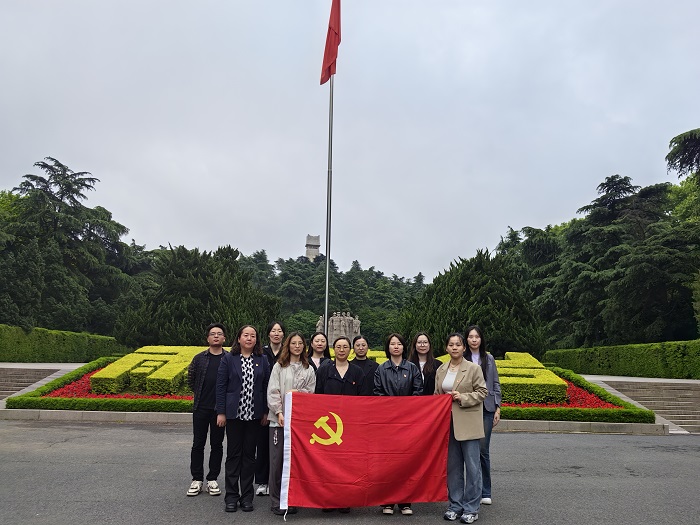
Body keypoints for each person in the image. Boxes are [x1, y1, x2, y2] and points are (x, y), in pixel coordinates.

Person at [216, 325, 271, 513]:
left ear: (256, 340)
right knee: (233, 456)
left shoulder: (262, 360)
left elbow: (266, 387)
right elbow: (221, 386)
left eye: (252, 336)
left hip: (254, 416)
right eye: (245, 335)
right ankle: (231, 497)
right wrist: (221, 412)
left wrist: (265, 412)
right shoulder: (228, 359)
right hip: (234, 416)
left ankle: (247, 497)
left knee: (249, 457)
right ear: (238, 338)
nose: (249, 338)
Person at [434, 333, 487, 524]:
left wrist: (462, 397)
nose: (454, 347)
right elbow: (436, 394)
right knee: (453, 468)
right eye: (451, 344)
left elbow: (482, 392)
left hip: (468, 423)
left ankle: (471, 508)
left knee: (473, 468)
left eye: (458, 344)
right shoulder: (441, 369)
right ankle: (455, 505)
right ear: (446, 348)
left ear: (464, 348)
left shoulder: (473, 368)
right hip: (447, 424)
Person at [374, 333, 423, 516]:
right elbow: (377, 392)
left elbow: (418, 392)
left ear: (404, 347)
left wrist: (404, 408)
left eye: (399, 344)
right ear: (388, 347)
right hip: (387, 422)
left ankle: (405, 502)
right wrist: (391, 407)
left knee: (406, 462)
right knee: (387, 463)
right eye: (392, 344)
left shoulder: (412, 368)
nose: (396, 347)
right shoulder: (381, 369)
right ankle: (387, 502)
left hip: (407, 422)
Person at [267, 332, 316, 516]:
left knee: (295, 462)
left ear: (304, 346)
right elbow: (273, 391)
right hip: (279, 422)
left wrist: (298, 392)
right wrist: (279, 412)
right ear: (288, 345)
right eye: (293, 343)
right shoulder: (279, 366)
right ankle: (276, 501)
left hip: (299, 423)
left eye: (300, 343)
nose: (297, 346)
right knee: (277, 462)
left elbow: (311, 392)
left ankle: (292, 499)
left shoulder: (308, 368)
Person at [314, 336, 365, 513]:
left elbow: (363, 399)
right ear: (333, 349)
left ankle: (345, 499)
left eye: (345, 347)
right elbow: (317, 395)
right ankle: (328, 500)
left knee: (347, 464)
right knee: (327, 463)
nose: (341, 350)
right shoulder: (324, 370)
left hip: (350, 424)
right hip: (329, 425)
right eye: (338, 347)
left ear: (350, 350)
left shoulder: (357, 372)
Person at [186, 323, 227, 497]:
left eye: (219, 333)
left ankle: (212, 479)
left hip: (220, 411)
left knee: (217, 445)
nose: (216, 336)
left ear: (224, 338)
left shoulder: (229, 358)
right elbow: (191, 380)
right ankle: (197, 479)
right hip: (201, 408)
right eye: (212, 334)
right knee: (198, 444)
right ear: (207, 338)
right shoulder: (199, 358)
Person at [465, 325, 502, 506]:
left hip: (487, 408)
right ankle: (471, 489)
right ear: (466, 339)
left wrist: (498, 407)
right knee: (467, 450)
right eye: (471, 336)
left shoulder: (489, 358)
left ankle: (485, 491)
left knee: (482, 450)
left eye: (477, 337)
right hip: (467, 408)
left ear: (481, 339)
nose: (474, 339)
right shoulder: (462, 358)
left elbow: (495, 383)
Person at [255, 321, 285, 497]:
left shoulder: (287, 353)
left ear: (283, 334)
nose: (276, 333)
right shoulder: (261, 353)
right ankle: (262, 481)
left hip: (282, 406)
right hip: (264, 405)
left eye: (279, 331)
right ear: (268, 334)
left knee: (279, 448)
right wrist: (264, 411)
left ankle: (278, 482)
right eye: (273, 331)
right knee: (263, 445)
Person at [408, 332, 441, 397]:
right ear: (415, 345)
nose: (422, 345)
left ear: (429, 345)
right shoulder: (408, 365)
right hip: (413, 401)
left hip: (432, 401)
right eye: (419, 342)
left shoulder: (438, 365)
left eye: (425, 342)